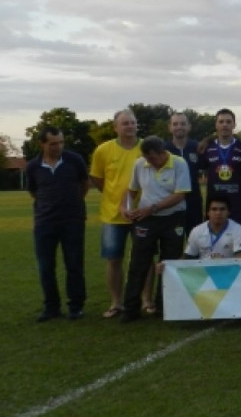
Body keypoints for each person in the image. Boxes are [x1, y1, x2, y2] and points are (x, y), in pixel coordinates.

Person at [118, 136, 191, 322]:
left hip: (173, 218)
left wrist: (153, 208)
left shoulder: (179, 163)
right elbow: (132, 190)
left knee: (169, 263)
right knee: (138, 263)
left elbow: (180, 194)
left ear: (162, 152)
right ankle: (131, 308)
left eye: (152, 158)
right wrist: (124, 207)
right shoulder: (140, 164)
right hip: (146, 219)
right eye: (146, 158)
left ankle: (164, 306)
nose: (149, 162)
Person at [26, 126, 89, 321]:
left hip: (72, 221)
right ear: (42, 144)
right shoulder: (33, 166)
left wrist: (73, 204)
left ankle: (76, 306)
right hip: (45, 222)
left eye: (61, 142)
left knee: (74, 265)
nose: (58, 147)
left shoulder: (75, 160)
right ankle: (51, 307)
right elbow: (34, 191)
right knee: (46, 267)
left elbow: (84, 185)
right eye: (53, 144)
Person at [90, 109, 143, 318]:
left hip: (143, 212)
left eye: (132, 122)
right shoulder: (103, 150)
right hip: (113, 215)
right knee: (113, 260)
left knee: (145, 258)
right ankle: (116, 302)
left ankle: (147, 301)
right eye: (125, 123)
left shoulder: (146, 148)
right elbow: (97, 179)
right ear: (115, 127)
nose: (130, 126)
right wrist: (114, 197)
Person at [200, 108, 241, 236]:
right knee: (214, 238)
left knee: (240, 237)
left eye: (228, 121)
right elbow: (202, 172)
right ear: (216, 125)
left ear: (234, 124)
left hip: (237, 203)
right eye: (221, 122)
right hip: (215, 203)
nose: (224, 125)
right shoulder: (207, 148)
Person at [166, 112, 204, 237]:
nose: (179, 127)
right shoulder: (164, 149)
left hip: (194, 201)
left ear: (189, 126)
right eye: (175, 124)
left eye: (183, 124)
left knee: (195, 238)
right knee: (173, 240)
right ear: (170, 127)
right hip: (171, 201)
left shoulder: (197, 147)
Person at [184, 193, 241, 259]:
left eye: (222, 209)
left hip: (230, 266)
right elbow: (188, 258)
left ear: (228, 212)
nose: (218, 213)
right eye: (214, 209)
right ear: (208, 212)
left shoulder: (238, 229)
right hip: (204, 266)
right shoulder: (197, 231)